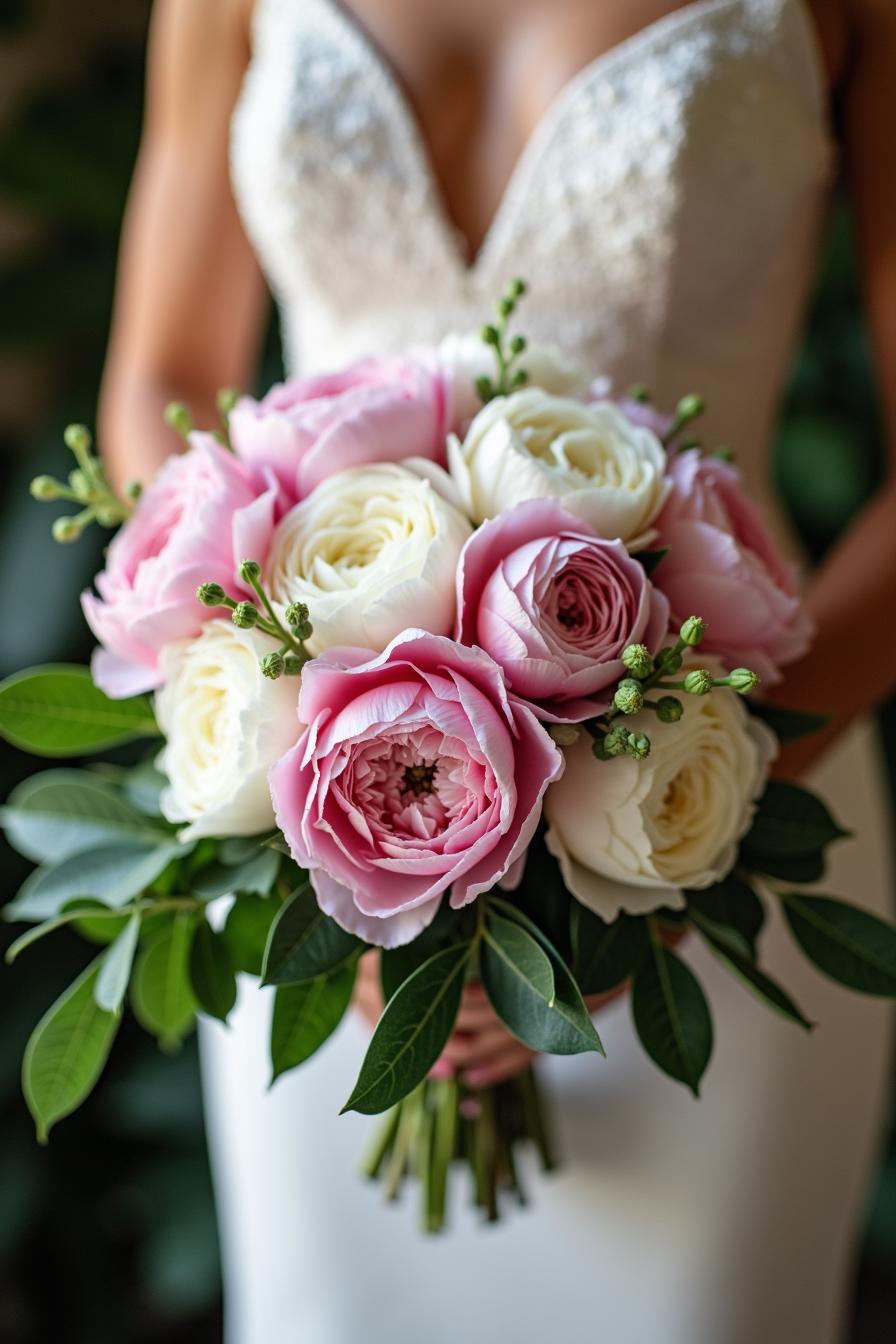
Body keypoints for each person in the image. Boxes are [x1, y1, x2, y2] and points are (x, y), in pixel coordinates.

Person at [99, 1, 896, 1340]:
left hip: (725, 812)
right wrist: (278, 702)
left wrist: (658, 838)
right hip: (326, 865)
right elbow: (165, 377)